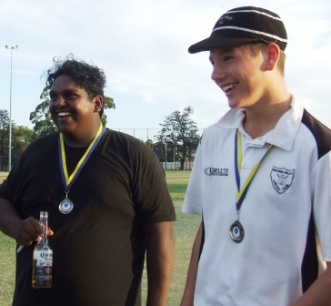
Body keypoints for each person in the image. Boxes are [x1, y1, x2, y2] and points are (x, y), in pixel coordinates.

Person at [180, 6, 331, 306]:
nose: (215, 73)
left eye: (228, 58)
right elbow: (208, 229)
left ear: (271, 56)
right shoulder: (213, 138)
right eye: (212, 62)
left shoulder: (320, 149)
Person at [0, 56, 176, 306]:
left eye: (70, 95)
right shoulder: (36, 152)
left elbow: (161, 234)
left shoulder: (132, 154)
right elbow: (3, 199)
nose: (58, 103)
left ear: (96, 103)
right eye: (53, 96)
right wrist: (16, 226)